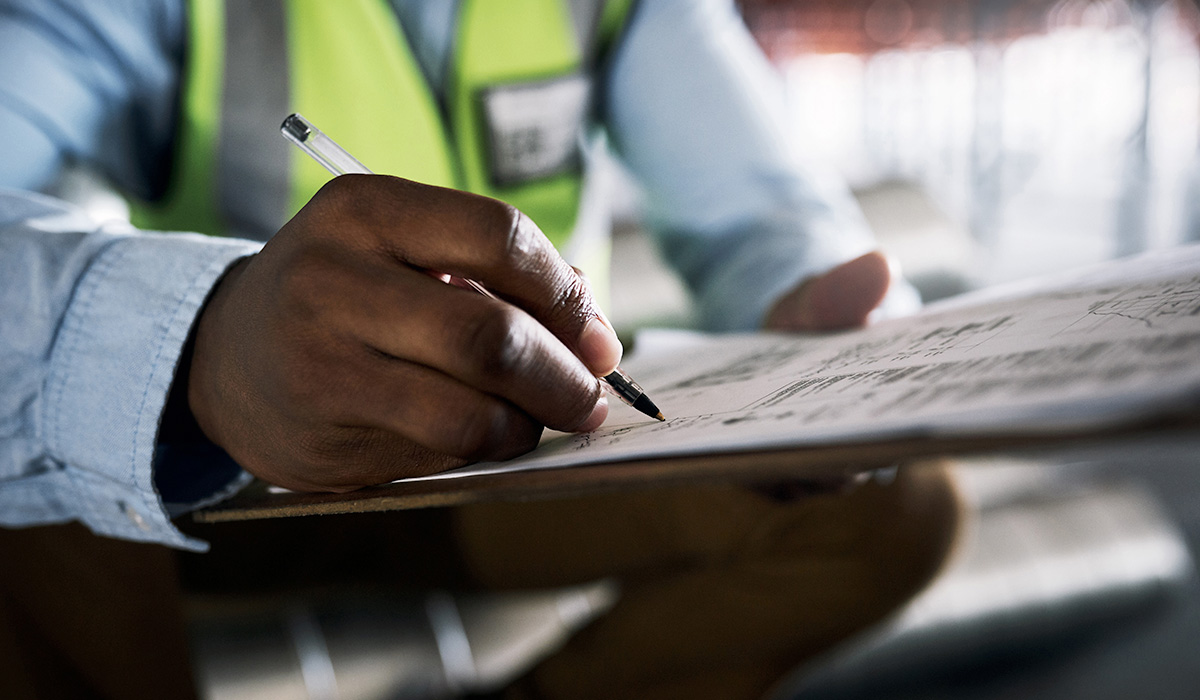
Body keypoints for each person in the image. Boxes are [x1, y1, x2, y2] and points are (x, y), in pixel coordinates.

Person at [0, 1, 961, 698]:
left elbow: (761, 214)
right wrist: (204, 342)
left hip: (517, 456)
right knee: (39, 436)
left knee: (883, 500)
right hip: (230, 487)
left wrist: (809, 299)